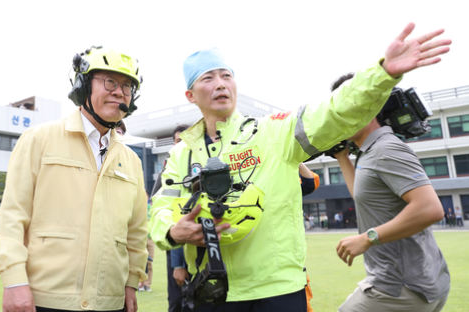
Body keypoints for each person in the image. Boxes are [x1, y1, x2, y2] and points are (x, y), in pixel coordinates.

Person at [150, 23, 450, 312]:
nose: (220, 84)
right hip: (212, 290)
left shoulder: (275, 132)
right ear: (191, 95)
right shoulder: (181, 154)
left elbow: (334, 111)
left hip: (278, 291)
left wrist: (382, 74)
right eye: (207, 78)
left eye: (226, 75)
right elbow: (160, 208)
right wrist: (174, 231)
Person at [0, 46, 149, 312]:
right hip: (45, 299)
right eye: (109, 81)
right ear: (83, 85)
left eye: (127, 86)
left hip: (111, 302)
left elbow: (136, 232)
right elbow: (12, 216)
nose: (119, 92)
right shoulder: (38, 139)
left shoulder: (132, 160)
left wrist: (132, 282)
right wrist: (13, 281)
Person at [332, 75, 451, 310]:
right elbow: (365, 198)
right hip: (413, 282)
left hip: (401, 288)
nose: (336, 115)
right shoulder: (370, 152)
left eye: (343, 106)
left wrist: (367, 238)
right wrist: (342, 158)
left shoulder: (386, 148)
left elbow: (430, 208)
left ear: (367, 104)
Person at [152, 125, 190, 312]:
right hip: (176, 245)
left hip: (200, 248)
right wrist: (177, 263)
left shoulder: (199, 166)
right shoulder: (168, 172)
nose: (181, 144)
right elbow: (160, 208)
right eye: (177, 141)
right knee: (176, 301)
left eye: (185, 140)